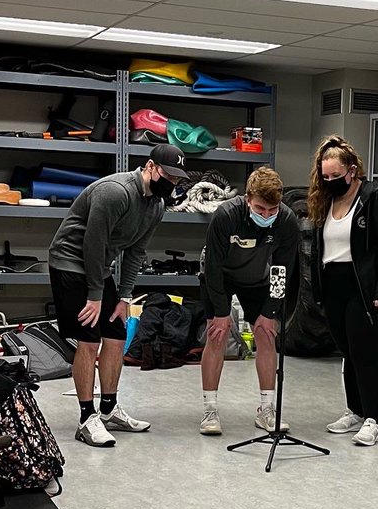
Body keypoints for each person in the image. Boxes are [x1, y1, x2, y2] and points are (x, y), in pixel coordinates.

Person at [49, 143, 189, 448]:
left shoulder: (157, 206)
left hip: (100, 267)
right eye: (169, 175)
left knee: (116, 334)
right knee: (89, 338)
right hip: (70, 262)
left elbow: (137, 251)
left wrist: (125, 296)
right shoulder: (115, 192)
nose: (173, 184)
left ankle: (109, 410)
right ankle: (87, 419)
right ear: (151, 167)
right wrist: (95, 296)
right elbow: (93, 244)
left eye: (178, 180)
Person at [308, 135, 378, 448]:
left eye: (337, 175)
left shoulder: (375, 198)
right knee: (346, 351)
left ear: (352, 170)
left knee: (365, 352)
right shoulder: (326, 200)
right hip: (332, 281)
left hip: (362, 285)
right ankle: (355, 410)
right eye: (326, 176)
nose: (331, 181)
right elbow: (319, 246)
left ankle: (373, 418)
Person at [199, 167, 299, 435]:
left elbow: (282, 271)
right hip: (219, 277)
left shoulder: (287, 221)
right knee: (216, 335)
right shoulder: (225, 216)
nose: (266, 215)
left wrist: (270, 311)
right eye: (260, 209)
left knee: (266, 335)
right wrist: (221, 313)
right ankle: (210, 409)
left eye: (272, 210)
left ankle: (266, 409)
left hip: (258, 280)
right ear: (247, 199)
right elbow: (213, 268)